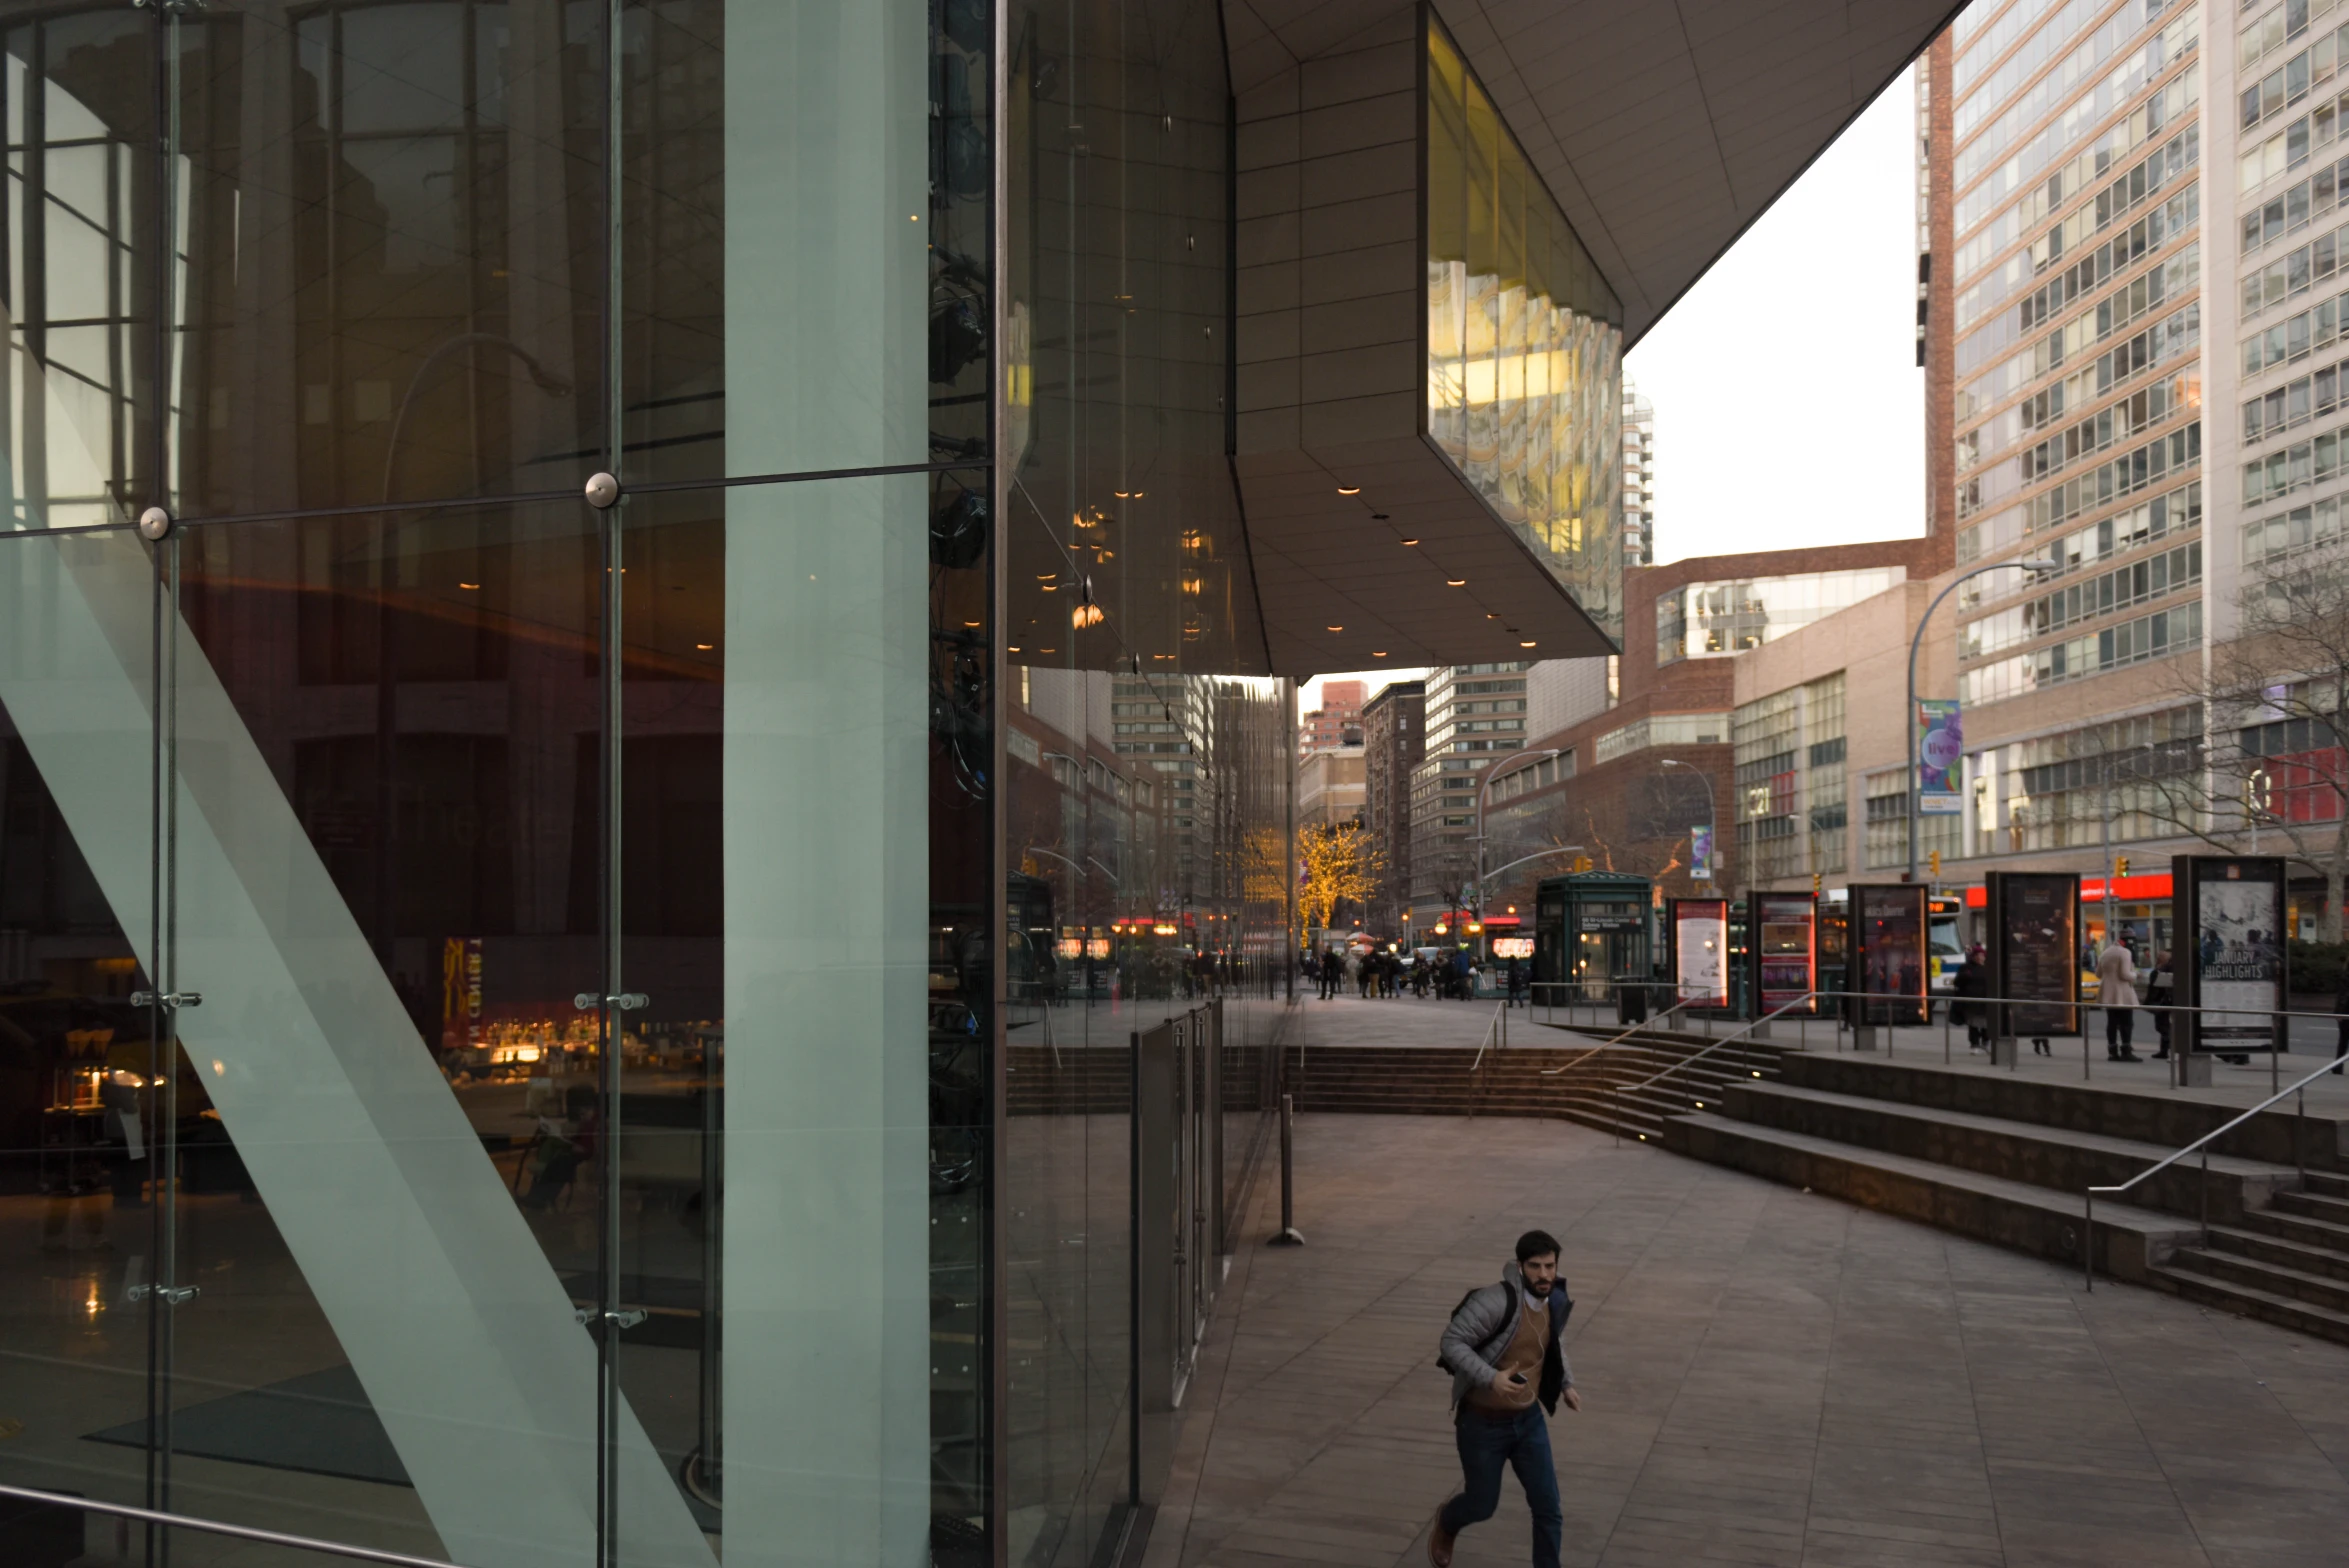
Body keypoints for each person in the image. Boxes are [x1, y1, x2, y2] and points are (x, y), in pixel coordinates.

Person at [1429, 1230, 1579, 1568]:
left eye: (1550, 1266)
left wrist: (1566, 1384)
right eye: (1536, 1266)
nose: (1544, 1274)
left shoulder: (1553, 1300)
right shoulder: (1496, 1301)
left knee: (1548, 1509)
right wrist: (1490, 1377)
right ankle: (1448, 1521)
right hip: (1482, 1423)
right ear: (1519, 1265)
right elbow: (1452, 1343)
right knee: (1482, 1505)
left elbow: (1551, 1345)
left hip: (1529, 1422)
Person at [2096, 938, 2141, 1062]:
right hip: (2122, 992)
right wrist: (2136, 974)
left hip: (2108, 992)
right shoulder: (2125, 952)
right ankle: (2126, 1050)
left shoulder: (2105, 952)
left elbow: (2098, 974)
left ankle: (2112, 1051)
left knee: (2112, 1022)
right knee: (2126, 1022)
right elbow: (2125, 974)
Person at [1953, 944, 1989, 1052]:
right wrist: (1964, 977)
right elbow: (1957, 982)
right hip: (1971, 1002)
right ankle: (1974, 1044)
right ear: (1973, 956)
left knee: (1985, 1025)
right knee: (1973, 1024)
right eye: (1977, 955)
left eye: (1981, 955)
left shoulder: (1989, 968)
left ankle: (1985, 1042)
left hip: (1985, 1002)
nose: (1979, 958)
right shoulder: (1966, 968)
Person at [2146, 950, 2176, 1059]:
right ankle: (2164, 1049)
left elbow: (2155, 983)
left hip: (2164, 1000)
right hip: (2165, 999)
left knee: (2162, 1025)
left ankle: (2166, 1048)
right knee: (2163, 1025)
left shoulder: (2164, 968)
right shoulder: (2168, 966)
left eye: (2160, 957)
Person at [2333, 964, 2349, 1074]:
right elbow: (2343, 996)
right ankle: (2337, 1066)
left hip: (2344, 1011)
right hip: (2346, 1011)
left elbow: (2341, 996)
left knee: (2343, 1040)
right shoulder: (2346, 978)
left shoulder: (2345, 977)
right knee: (2343, 1040)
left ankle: (2337, 1066)